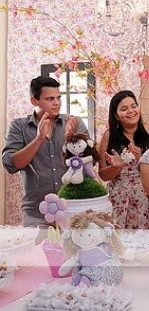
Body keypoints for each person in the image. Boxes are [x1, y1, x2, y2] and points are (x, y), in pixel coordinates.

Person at [2, 76, 88, 227]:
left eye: (58, 98)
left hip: (73, 209)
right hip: (36, 213)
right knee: (36, 244)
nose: (56, 103)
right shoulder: (19, 126)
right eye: (50, 99)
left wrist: (72, 139)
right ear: (34, 101)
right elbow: (10, 164)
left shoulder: (73, 123)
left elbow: (89, 161)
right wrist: (39, 139)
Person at [98, 90, 149, 229]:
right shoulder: (109, 136)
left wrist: (142, 159)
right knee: (121, 239)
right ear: (116, 116)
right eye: (124, 109)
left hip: (145, 198)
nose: (130, 111)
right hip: (120, 200)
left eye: (133, 106)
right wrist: (116, 167)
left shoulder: (148, 134)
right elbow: (103, 175)